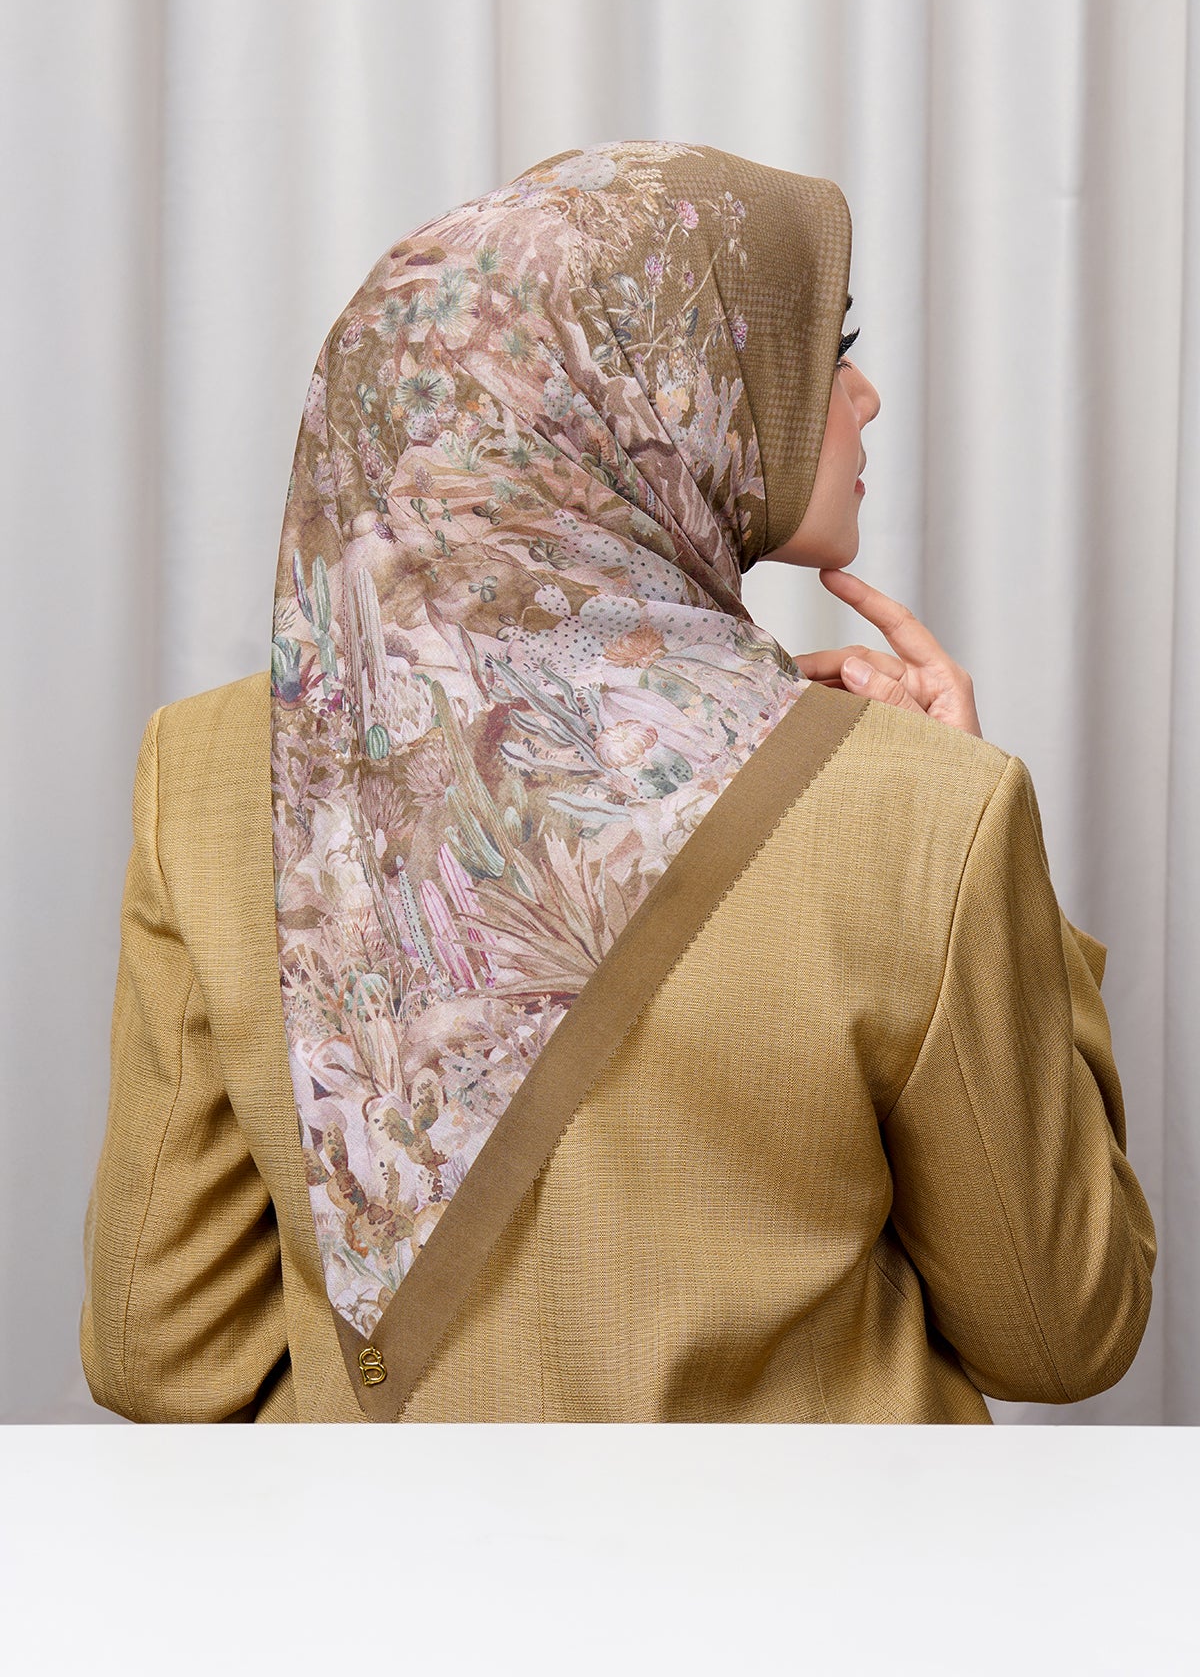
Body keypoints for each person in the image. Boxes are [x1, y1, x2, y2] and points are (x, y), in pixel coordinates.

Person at [79, 140, 1156, 1424]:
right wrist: (984, 851)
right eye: (829, 352)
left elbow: (160, 1348)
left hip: (384, 1559)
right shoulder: (915, 810)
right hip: (821, 1559)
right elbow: (1062, 1330)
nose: (865, 398)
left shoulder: (209, 773)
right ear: (645, 392)